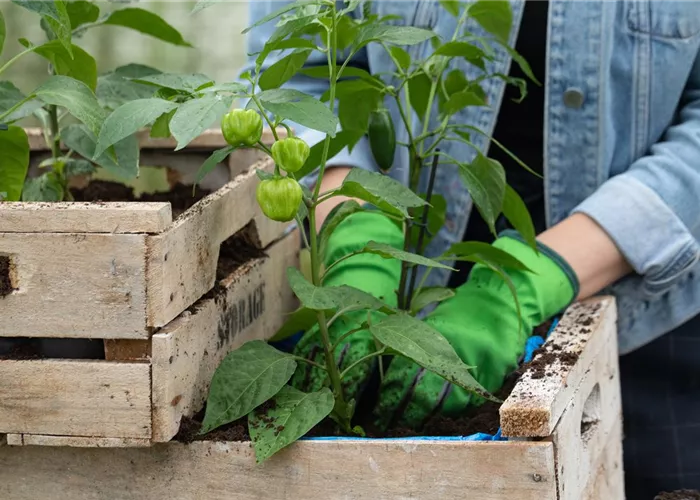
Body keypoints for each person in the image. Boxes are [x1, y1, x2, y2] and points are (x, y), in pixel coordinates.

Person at [245, 1, 700, 498]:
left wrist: (524, 282)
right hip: (406, 278)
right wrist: (358, 241)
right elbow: (305, 74)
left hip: (645, 301)